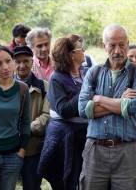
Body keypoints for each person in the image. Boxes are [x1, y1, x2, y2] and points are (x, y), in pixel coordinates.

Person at [78, 24, 136, 190]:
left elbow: (132, 108)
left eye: (122, 45)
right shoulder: (93, 72)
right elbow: (82, 110)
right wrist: (120, 103)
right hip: (95, 150)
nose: (117, 50)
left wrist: (98, 99)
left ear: (128, 43)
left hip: (127, 151)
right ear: (104, 46)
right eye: (112, 45)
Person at [37, 34, 88, 190]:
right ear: (71, 55)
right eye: (80, 48)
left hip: (85, 135)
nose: (84, 50)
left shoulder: (86, 73)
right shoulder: (57, 78)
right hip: (64, 137)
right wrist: (86, 91)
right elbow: (64, 110)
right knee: (68, 182)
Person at [0, 44, 30, 189]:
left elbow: (25, 122)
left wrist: (21, 151)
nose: (5, 67)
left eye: (8, 61)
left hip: (12, 156)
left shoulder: (22, 88)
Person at [12, 45, 50, 190]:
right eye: (17, 62)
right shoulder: (4, 86)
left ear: (32, 63)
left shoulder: (44, 87)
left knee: (32, 186)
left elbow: (47, 115)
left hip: (33, 149)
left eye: (26, 61)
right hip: (8, 149)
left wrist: (26, 130)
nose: (22, 66)